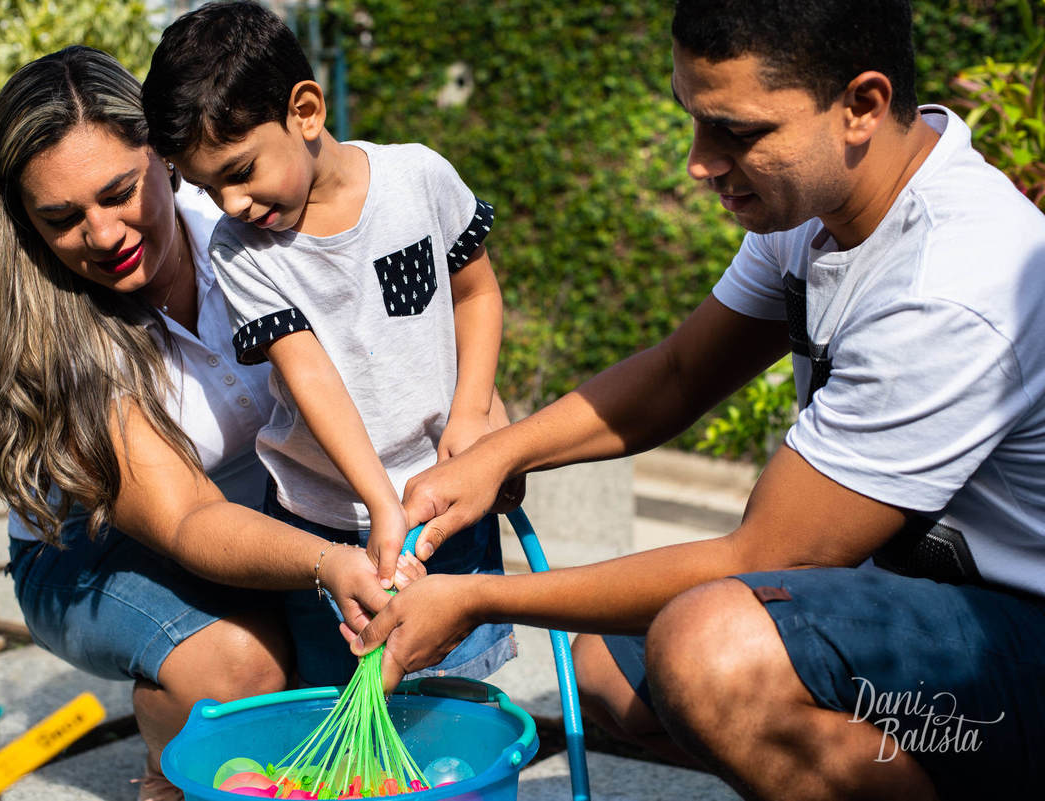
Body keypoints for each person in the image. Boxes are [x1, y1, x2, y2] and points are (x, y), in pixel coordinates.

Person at [349, 1, 1045, 799]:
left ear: (862, 106)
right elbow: (679, 373)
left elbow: (763, 556)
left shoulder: (950, 285)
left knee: (709, 651)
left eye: (736, 132)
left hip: (1018, 628)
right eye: (693, 120)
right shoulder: (827, 205)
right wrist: (498, 453)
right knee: (609, 673)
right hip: (931, 605)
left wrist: (475, 598)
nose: (699, 162)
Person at [0, 45, 417, 801]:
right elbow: (186, 520)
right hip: (88, 549)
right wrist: (327, 563)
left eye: (120, 191)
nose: (106, 233)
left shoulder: (247, 214)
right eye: (63, 218)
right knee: (243, 666)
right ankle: (167, 759)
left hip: (261, 513)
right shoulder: (60, 336)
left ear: (166, 155)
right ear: (28, 226)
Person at [140, 1, 517, 686]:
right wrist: (379, 503)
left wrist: (471, 415)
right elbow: (311, 376)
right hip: (324, 520)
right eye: (206, 187)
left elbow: (478, 294)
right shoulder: (243, 251)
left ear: (305, 112)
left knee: (452, 698)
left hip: (444, 505)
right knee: (339, 705)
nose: (229, 205)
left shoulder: (419, 180)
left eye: (241, 170)